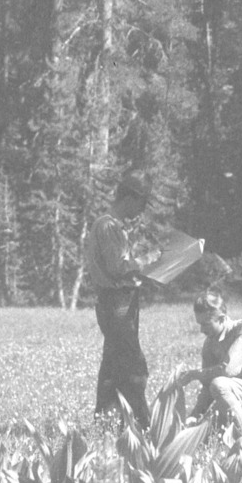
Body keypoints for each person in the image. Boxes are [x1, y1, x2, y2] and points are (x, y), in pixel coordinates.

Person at [84, 175, 155, 429]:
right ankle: (143, 425)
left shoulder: (114, 226)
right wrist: (150, 259)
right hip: (116, 304)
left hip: (120, 302)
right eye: (141, 203)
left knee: (113, 366)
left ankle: (105, 423)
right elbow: (118, 268)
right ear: (129, 198)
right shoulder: (108, 226)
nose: (141, 210)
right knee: (133, 366)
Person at [179, 288, 242, 427]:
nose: (202, 330)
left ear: (222, 318)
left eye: (206, 324)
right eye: (199, 324)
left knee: (219, 384)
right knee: (203, 428)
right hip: (235, 399)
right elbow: (207, 387)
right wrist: (195, 416)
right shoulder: (209, 344)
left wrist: (194, 374)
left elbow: (228, 370)